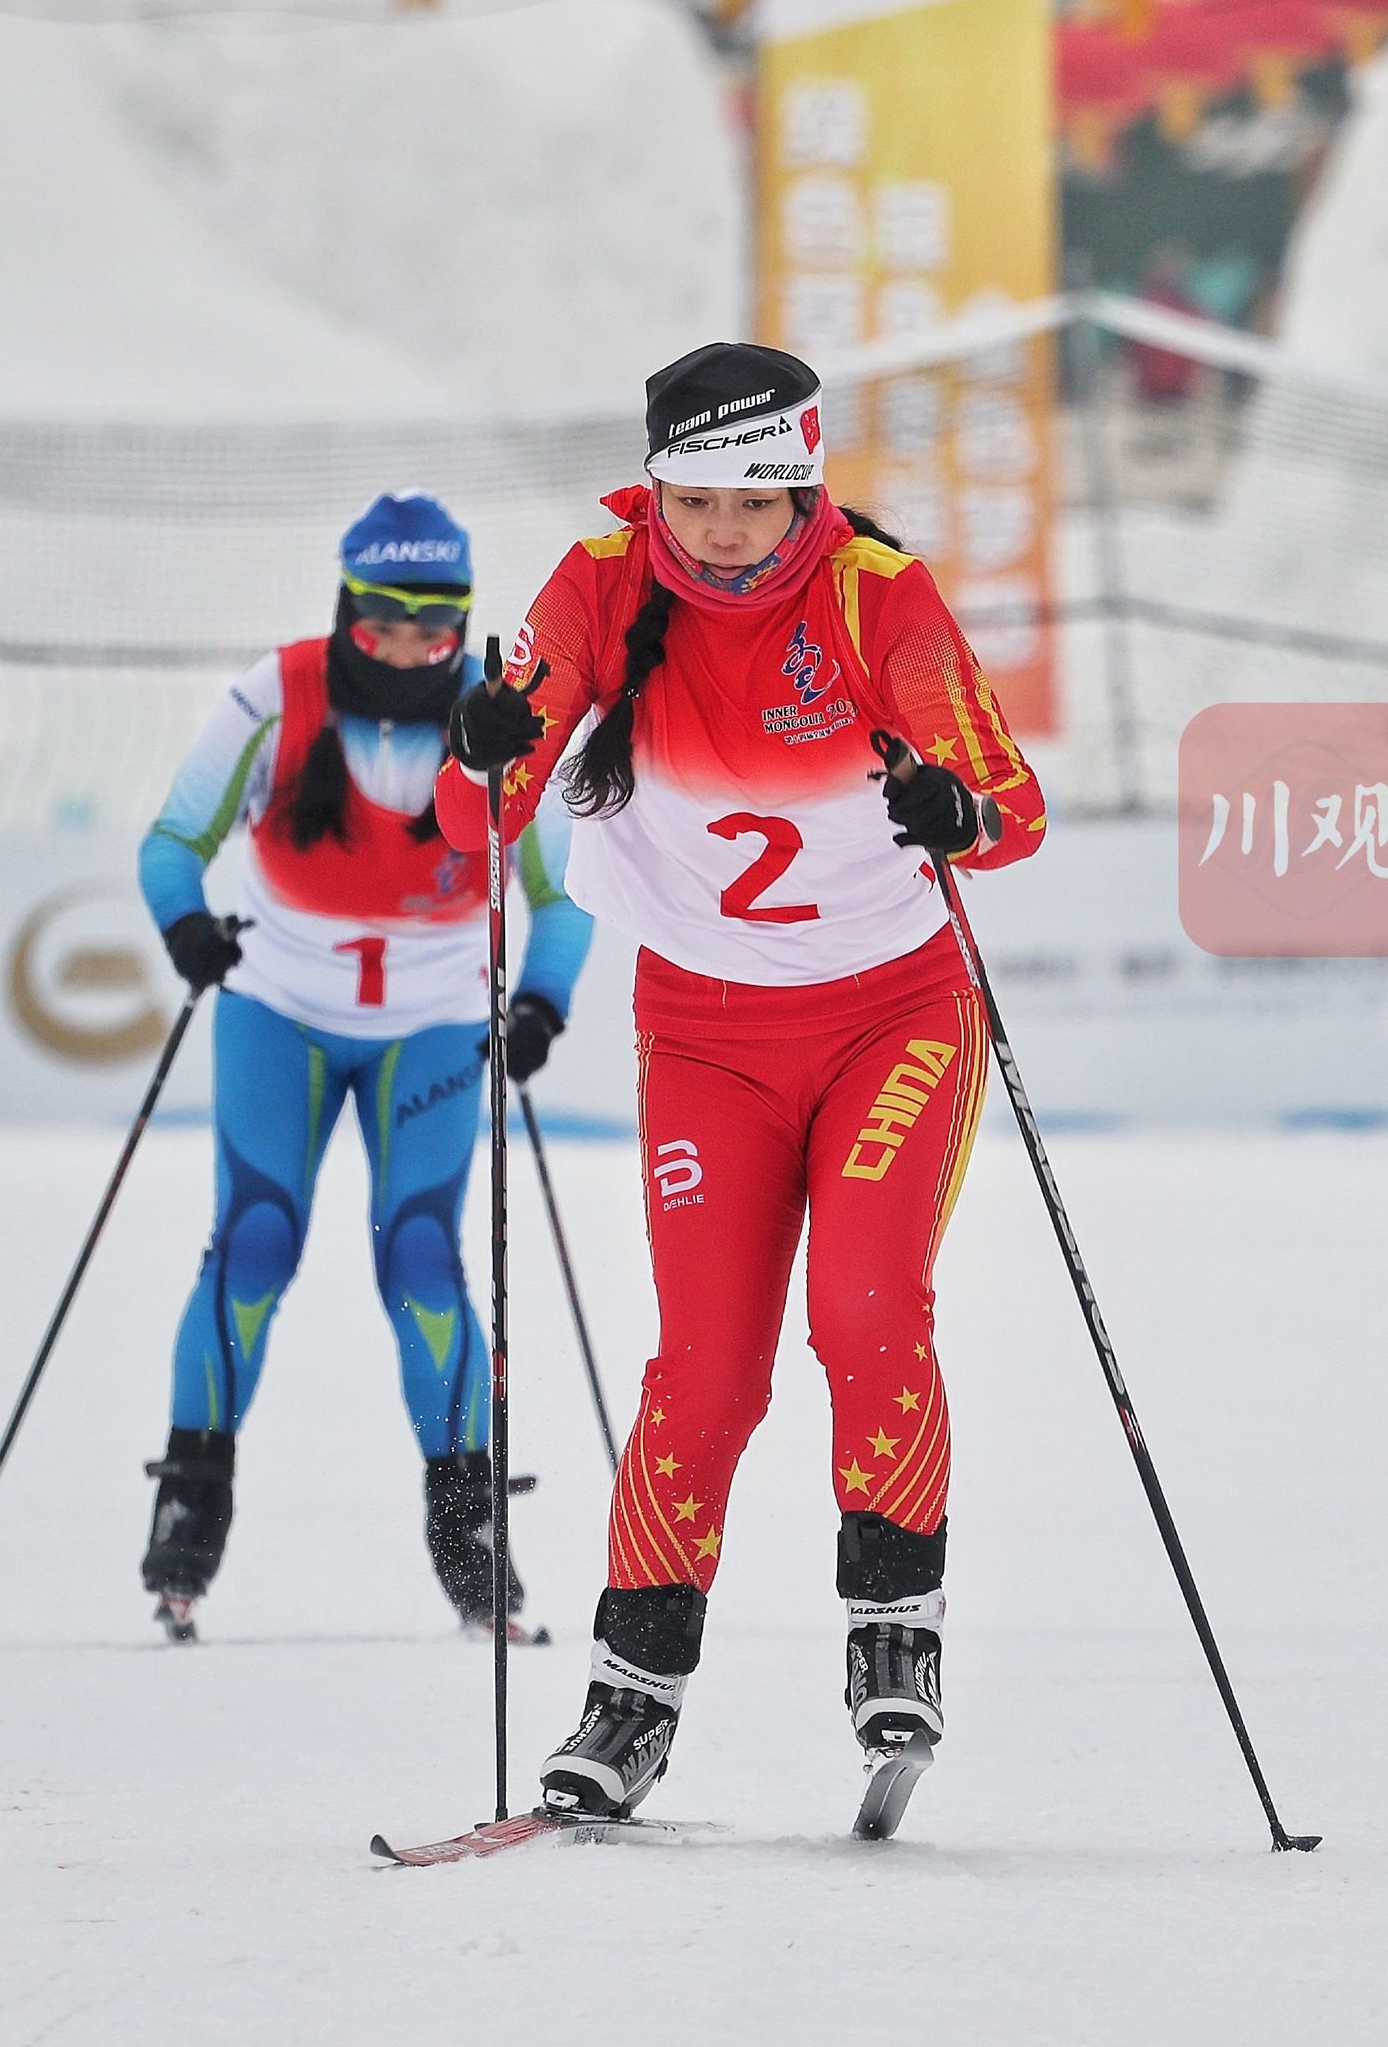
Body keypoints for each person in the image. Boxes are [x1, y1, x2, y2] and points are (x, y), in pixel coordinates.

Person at [435, 344, 1046, 1828]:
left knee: (864, 1309)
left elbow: (1008, 809)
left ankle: (894, 1629)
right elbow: (478, 820)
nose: (717, 529)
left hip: (892, 1018)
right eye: (691, 495)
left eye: (752, 500)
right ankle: (628, 1702)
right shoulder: (596, 580)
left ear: (804, 488)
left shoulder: (872, 593)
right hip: (705, 1034)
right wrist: (484, 749)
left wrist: (948, 806)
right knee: (703, 1370)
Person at [138, 492, 591, 1640]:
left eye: (435, 627)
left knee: (424, 1259)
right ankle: (190, 1505)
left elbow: (560, 896)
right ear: (347, 608)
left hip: (433, 1026)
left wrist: (540, 1001)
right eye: (384, 621)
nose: (407, 647)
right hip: (277, 1012)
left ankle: (467, 1529)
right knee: (253, 1244)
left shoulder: (500, 721)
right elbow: (171, 843)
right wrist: (186, 925)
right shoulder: (272, 696)